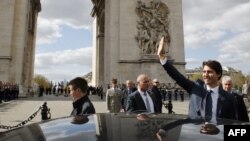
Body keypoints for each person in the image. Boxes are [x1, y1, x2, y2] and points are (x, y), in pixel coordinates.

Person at [157, 37, 236, 124]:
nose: (205, 75)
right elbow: (177, 76)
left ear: (218, 74)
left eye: (209, 72)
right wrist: (162, 58)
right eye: (204, 71)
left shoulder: (229, 98)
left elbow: (232, 122)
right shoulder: (195, 88)